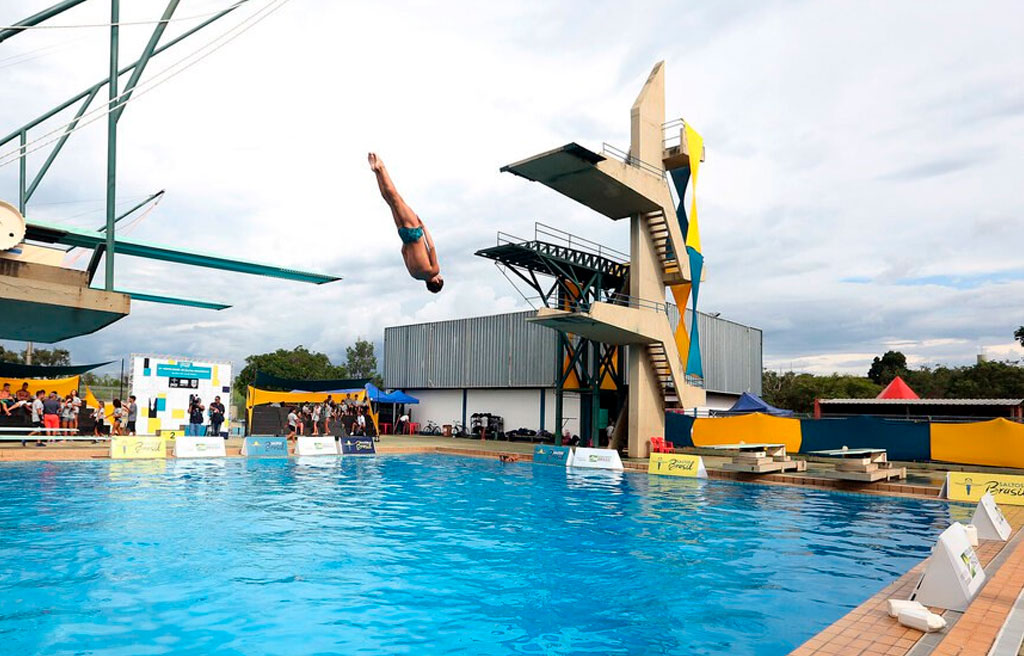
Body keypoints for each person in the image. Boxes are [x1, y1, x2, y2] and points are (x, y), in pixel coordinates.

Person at [368, 152, 443, 293]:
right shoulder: (415, 275)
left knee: (396, 197)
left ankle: (381, 168)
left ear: (437, 281)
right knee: (390, 202)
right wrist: (406, 237)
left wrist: (423, 227)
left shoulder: (434, 271)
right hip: (404, 235)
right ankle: (377, 172)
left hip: (415, 232)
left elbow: (432, 247)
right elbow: (403, 252)